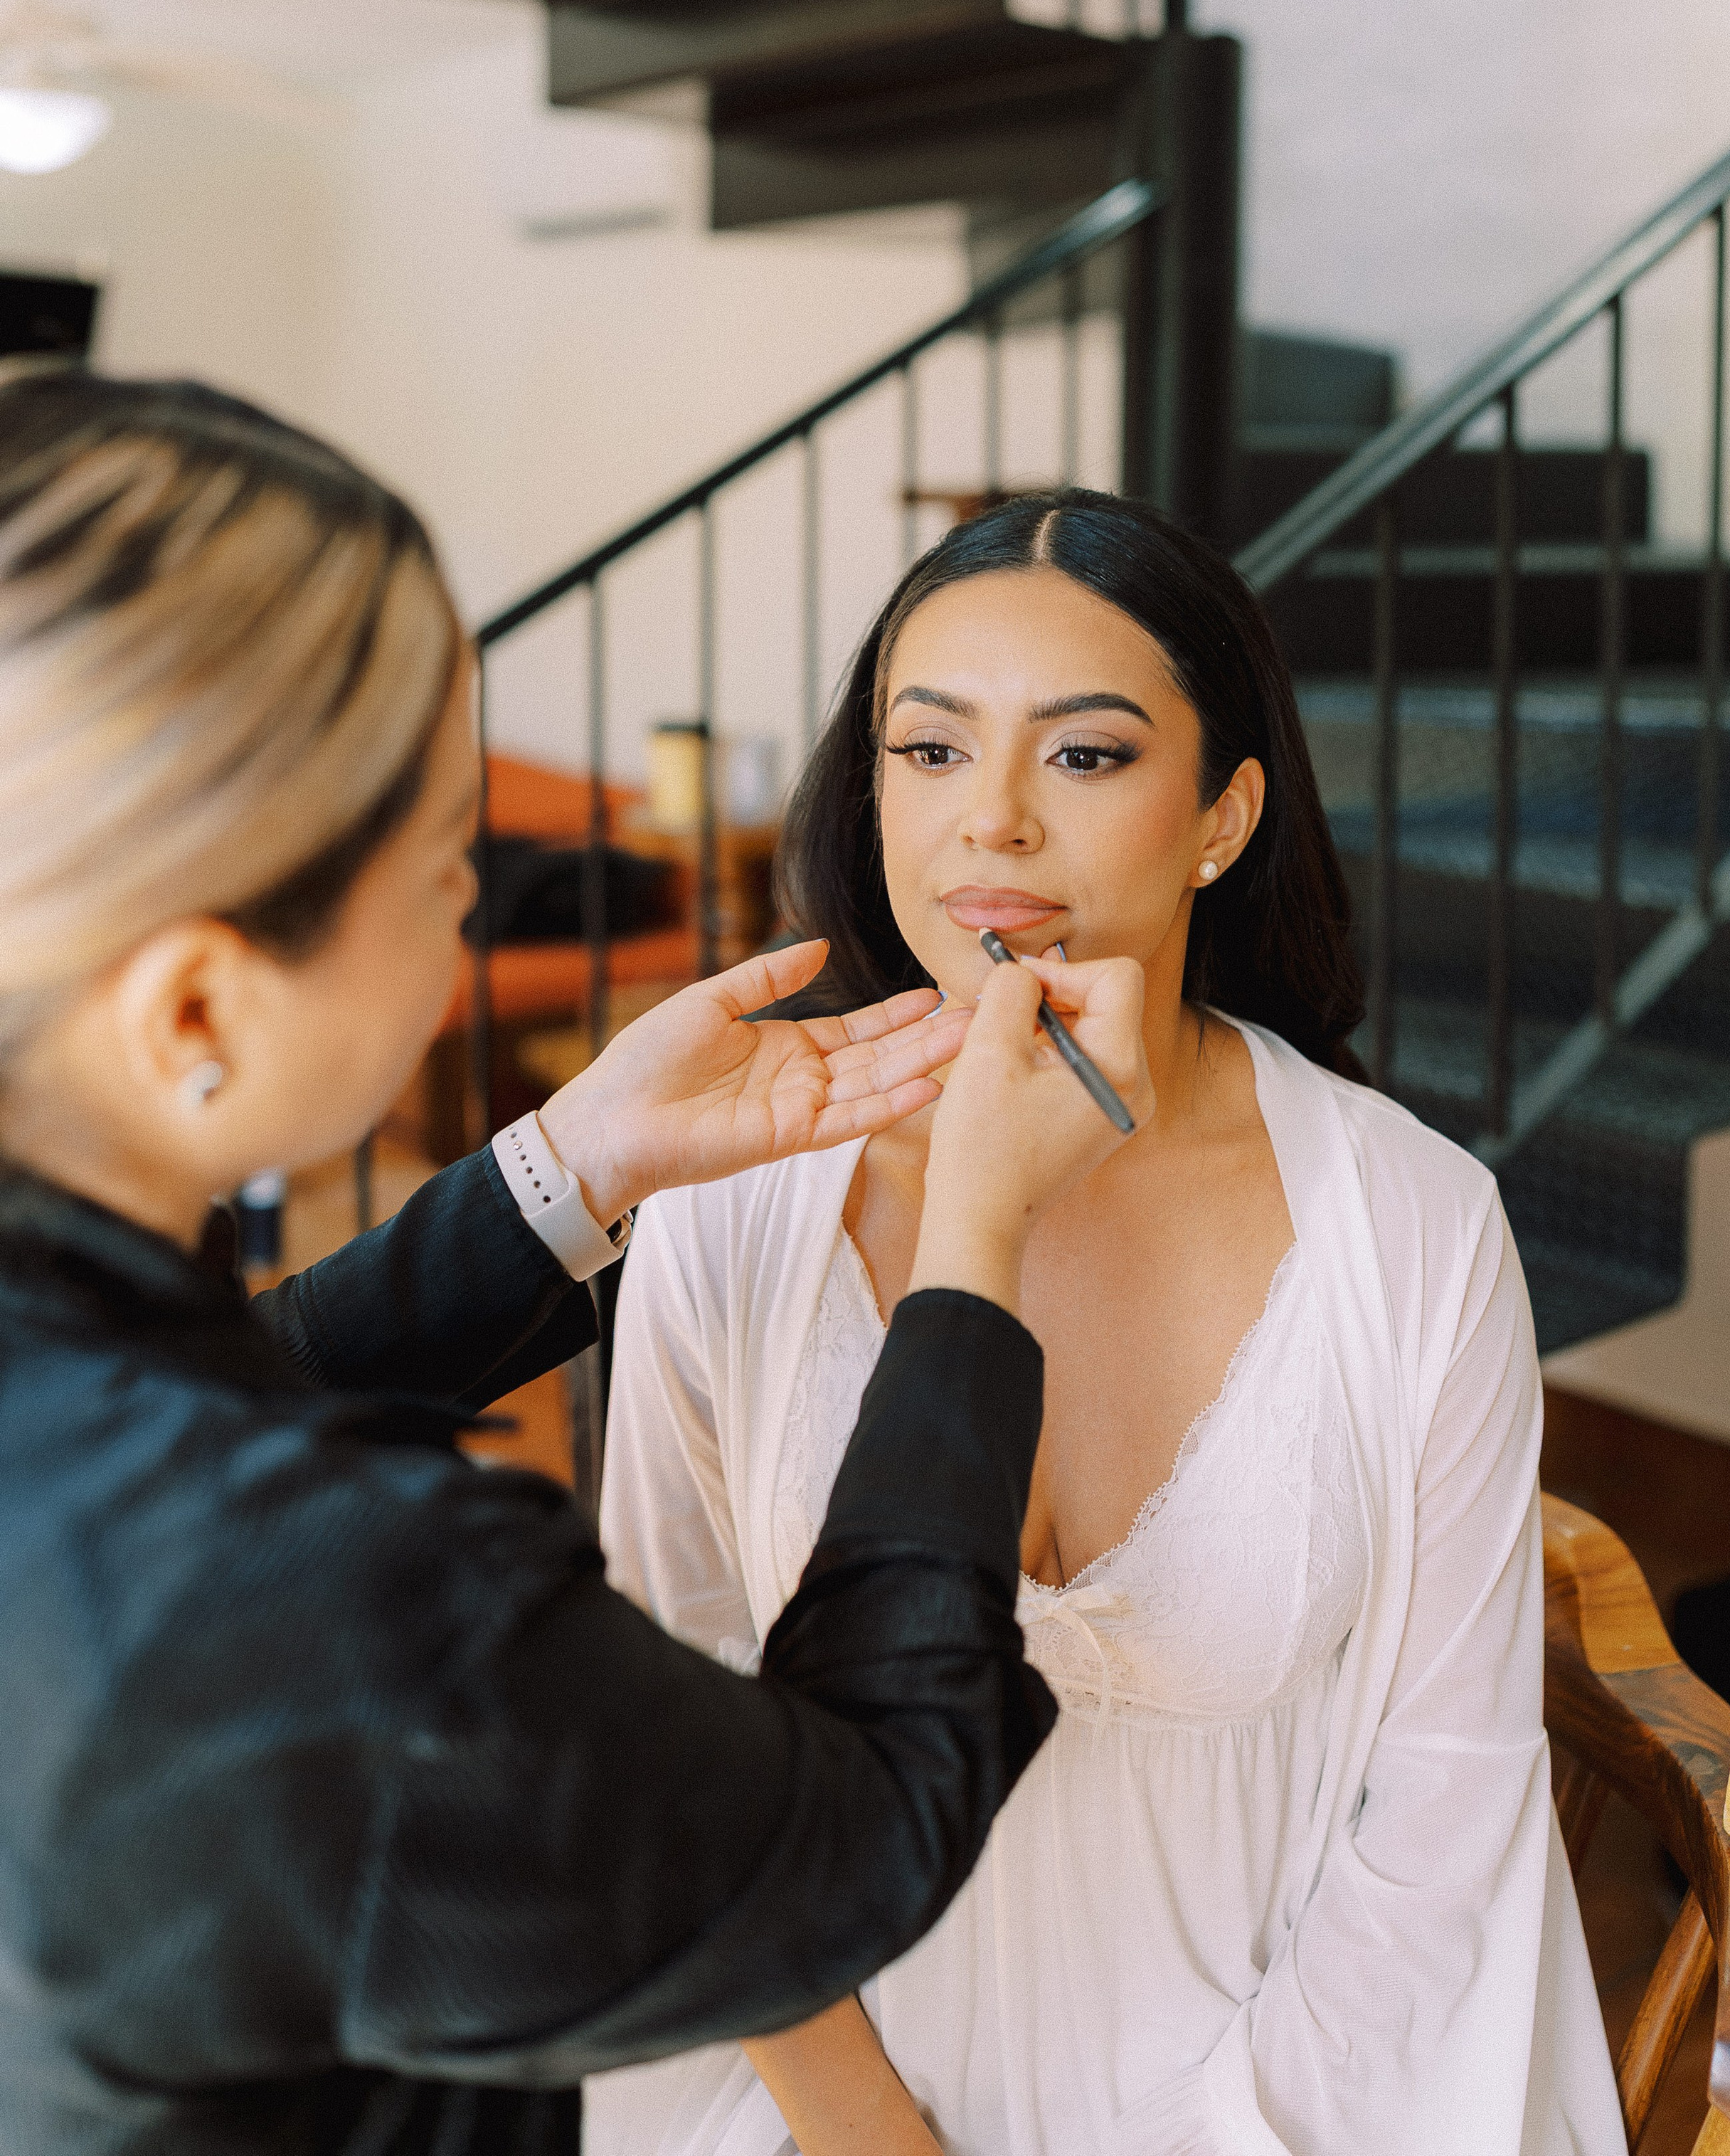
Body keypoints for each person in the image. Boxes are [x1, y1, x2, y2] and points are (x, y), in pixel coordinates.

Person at [0, 369, 1157, 2156]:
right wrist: (973, 1239)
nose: (472, 902)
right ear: (198, 1009)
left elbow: (194, 1403)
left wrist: (573, 1162)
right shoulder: (325, 1612)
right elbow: (854, 1831)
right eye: (439, 861)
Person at [585, 489, 1628, 2156]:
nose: (989, 824)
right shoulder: (732, 1198)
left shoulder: (1412, 1226)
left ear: (1221, 816)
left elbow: (1443, 1820)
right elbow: (671, 1736)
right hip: (803, 2109)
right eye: (929, 750)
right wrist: (874, 2141)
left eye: (1081, 755)